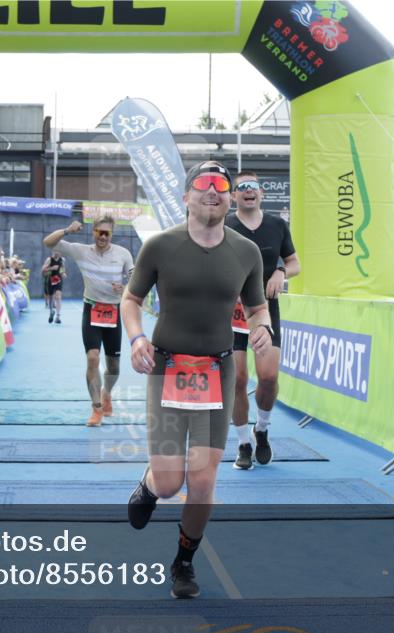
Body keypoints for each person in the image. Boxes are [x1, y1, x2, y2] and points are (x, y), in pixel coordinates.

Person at [122, 161, 272, 599]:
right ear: (186, 196)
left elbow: (258, 306)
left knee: (203, 479)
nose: (214, 191)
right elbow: (131, 300)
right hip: (167, 367)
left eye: (221, 186)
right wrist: (135, 339)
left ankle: (184, 562)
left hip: (217, 371)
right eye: (203, 184)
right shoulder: (160, 247)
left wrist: (263, 326)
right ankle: (150, 484)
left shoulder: (246, 252)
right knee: (171, 483)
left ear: (228, 200)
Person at [225, 170, 301, 470]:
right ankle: (243, 443)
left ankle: (262, 430)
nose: (248, 191)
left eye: (253, 187)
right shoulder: (224, 225)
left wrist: (282, 272)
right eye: (241, 187)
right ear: (233, 196)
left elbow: (295, 262)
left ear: (261, 194)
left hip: (265, 311)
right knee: (238, 380)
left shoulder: (277, 225)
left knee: (268, 378)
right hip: (230, 313)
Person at [44, 215, 134, 426]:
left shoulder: (123, 254)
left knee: (114, 367)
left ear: (111, 234)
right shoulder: (81, 250)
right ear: (93, 231)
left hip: (113, 310)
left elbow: (135, 277)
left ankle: (107, 393)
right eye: (98, 232)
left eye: (107, 233)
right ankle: (96, 408)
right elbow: (48, 242)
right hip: (91, 308)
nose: (102, 237)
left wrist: (127, 288)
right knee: (93, 358)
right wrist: (67, 230)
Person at [41, 250, 65, 323]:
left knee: (58, 296)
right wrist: (51, 268)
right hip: (50, 279)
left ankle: (58, 316)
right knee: (51, 297)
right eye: (55, 251)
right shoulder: (49, 260)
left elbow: (62, 268)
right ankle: (51, 312)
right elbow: (42, 270)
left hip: (58, 279)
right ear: (53, 251)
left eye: (58, 251)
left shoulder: (62, 260)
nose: (57, 253)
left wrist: (63, 273)